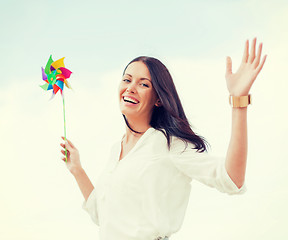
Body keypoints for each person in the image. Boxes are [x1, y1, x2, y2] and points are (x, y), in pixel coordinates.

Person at [60, 38, 267, 240]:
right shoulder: (117, 149)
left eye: (143, 84)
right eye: (127, 79)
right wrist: (77, 170)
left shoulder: (168, 143)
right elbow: (103, 215)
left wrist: (239, 102)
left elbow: (232, 178)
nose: (131, 87)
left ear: (158, 98)